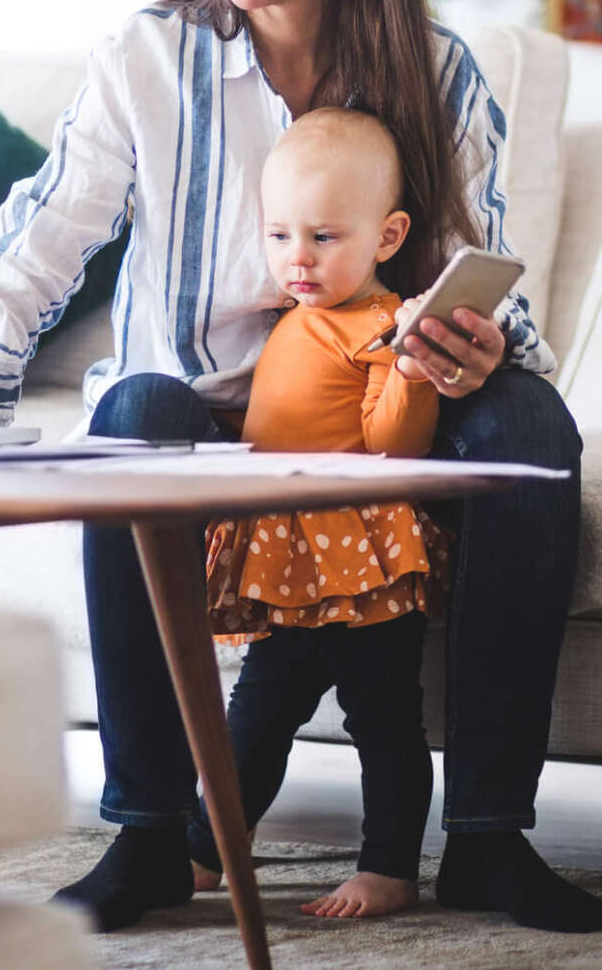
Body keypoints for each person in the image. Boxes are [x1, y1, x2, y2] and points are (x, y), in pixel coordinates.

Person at [0, 0, 602, 936]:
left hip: (376, 415)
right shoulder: (147, 58)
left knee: (532, 424)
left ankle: (489, 836)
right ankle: (144, 835)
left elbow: (484, 295)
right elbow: (24, 263)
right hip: (202, 416)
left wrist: (473, 349)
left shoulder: (438, 76)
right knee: (128, 415)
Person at [193, 106, 450, 920]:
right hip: (286, 550)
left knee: (381, 712)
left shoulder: (380, 325)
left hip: (361, 549)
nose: (297, 258)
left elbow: (393, 442)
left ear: (386, 235)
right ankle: (206, 848)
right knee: (259, 709)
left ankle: (390, 866)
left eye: (324, 238)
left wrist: (410, 360)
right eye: (280, 236)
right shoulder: (291, 323)